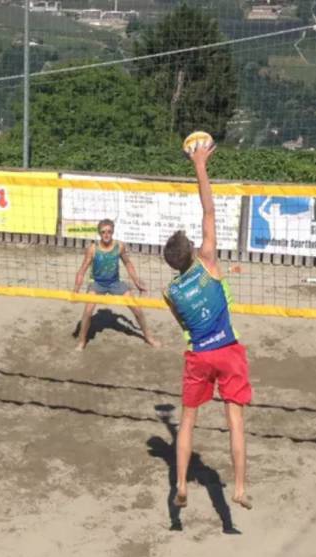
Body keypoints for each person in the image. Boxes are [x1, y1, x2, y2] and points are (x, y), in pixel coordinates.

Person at [162, 140, 252, 512]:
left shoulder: (169, 291)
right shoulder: (208, 260)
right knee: (235, 422)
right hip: (228, 350)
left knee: (187, 422)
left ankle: (181, 484)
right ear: (191, 251)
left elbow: (183, 323)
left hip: (199, 354)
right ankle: (240, 489)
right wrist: (200, 164)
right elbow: (209, 209)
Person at [73, 218, 161, 350]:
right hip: (97, 283)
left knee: (137, 308)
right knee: (88, 312)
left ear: (113, 232)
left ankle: (149, 337)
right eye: (103, 232)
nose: (106, 234)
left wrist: (136, 281)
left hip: (115, 282)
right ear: (99, 233)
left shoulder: (119, 246)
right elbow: (82, 270)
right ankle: (81, 341)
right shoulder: (93, 249)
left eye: (109, 231)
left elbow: (128, 263)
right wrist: (76, 290)